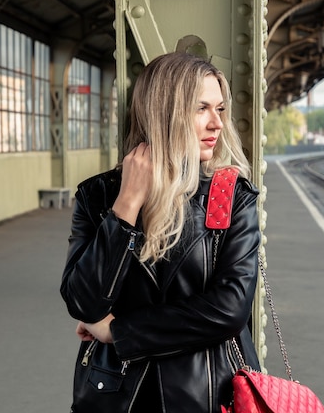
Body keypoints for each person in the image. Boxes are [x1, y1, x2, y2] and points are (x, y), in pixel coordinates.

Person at [60, 51, 261, 413]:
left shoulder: (230, 198)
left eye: (220, 109)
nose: (216, 123)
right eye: (201, 108)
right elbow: (83, 302)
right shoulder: (99, 196)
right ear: (164, 112)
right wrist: (127, 205)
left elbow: (229, 309)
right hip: (116, 395)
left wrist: (118, 332)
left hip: (209, 395)